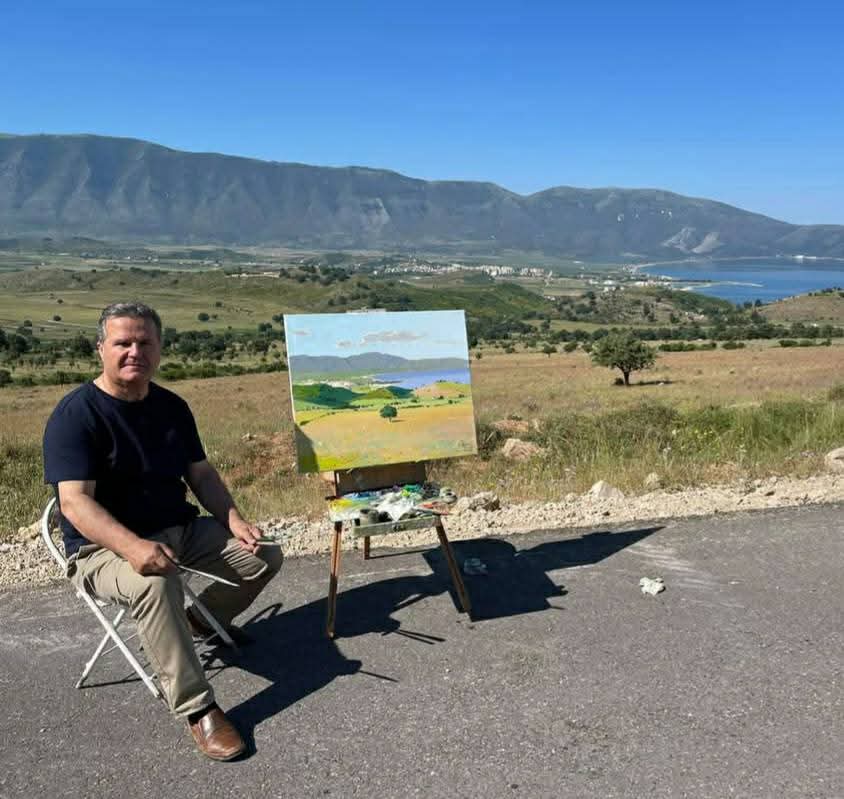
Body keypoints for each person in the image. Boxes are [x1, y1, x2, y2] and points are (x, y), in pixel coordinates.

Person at [43, 301, 282, 761]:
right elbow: (74, 502)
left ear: (159, 349)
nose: (134, 351)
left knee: (264, 554)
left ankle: (198, 622)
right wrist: (134, 547)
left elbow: (201, 474)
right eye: (123, 342)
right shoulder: (76, 415)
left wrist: (234, 519)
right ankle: (198, 708)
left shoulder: (172, 407)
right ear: (100, 349)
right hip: (102, 550)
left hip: (179, 529)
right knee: (155, 583)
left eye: (144, 342)